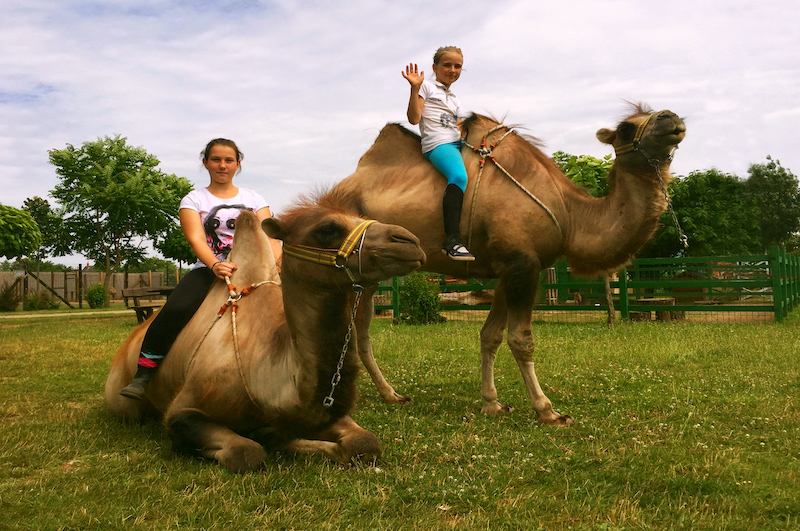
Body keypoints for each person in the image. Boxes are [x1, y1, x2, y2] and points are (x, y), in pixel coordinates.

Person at [120, 138, 282, 400]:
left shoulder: (253, 198)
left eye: (228, 160)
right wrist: (215, 264)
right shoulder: (194, 199)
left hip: (257, 271)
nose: (222, 165)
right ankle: (144, 373)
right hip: (210, 270)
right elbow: (196, 239)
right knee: (177, 308)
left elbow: (271, 237)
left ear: (238, 164)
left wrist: (275, 263)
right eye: (216, 159)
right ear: (205, 163)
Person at [402, 45, 475, 261]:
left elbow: (461, 128)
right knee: (459, 176)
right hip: (439, 144)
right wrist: (415, 89)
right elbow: (414, 119)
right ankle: (452, 241)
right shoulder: (426, 87)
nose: (452, 69)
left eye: (458, 66)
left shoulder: (455, 100)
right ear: (435, 67)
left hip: (456, 143)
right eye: (447, 65)